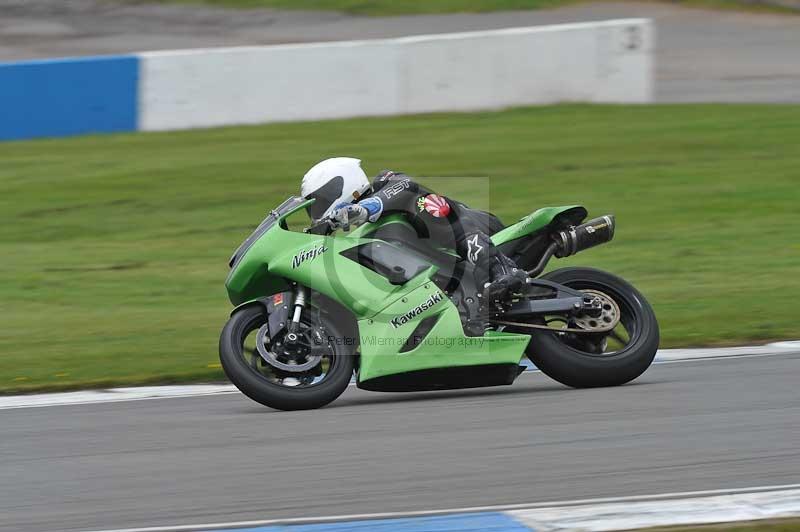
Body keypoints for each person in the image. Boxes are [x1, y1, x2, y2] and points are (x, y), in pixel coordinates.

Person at [301, 157, 528, 305]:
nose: (318, 210)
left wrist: (362, 208)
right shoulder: (364, 232)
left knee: (427, 205)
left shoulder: (387, 182)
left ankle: (501, 268)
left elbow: (405, 187)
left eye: (320, 202)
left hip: (481, 227)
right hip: (448, 270)